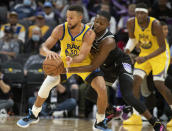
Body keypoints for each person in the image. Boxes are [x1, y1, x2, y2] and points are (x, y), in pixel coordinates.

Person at [64, 10, 166, 131]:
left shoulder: (109, 41)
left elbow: (92, 66)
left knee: (128, 95)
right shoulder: (86, 29)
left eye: (101, 23)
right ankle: (113, 110)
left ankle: (155, 123)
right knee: (90, 93)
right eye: (96, 21)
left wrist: (69, 69)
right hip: (106, 66)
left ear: (107, 25)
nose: (97, 24)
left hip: (121, 62)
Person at [16, 5, 110, 130]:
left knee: (102, 89)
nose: (68, 20)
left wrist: (73, 59)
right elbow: (43, 47)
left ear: (80, 18)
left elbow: (82, 55)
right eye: (67, 17)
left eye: (71, 18)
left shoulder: (88, 33)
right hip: (64, 63)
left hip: (85, 64)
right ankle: (33, 114)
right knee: (46, 85)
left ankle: (99, 122)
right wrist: (47, 52)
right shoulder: (60, 29)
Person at [124, 2, 172, 128]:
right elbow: (133, 39)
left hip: (160, 55)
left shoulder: (155, 24)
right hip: (144, 54)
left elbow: (162, 47)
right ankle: (135, 116)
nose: (139, 15)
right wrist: (127, 51)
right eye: (137, 13)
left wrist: (145, 57)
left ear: (147, 14)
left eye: (142, 13)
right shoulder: (131, 23)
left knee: (159, 83)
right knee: (135, 81)